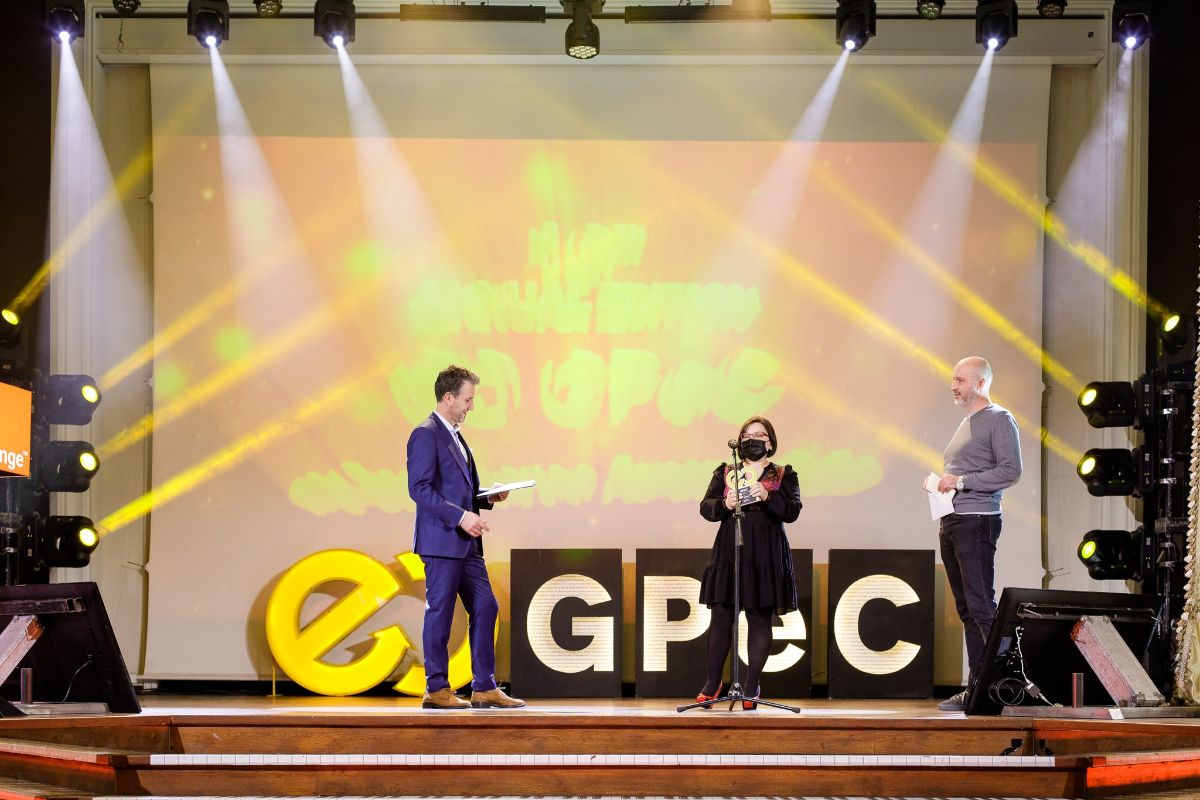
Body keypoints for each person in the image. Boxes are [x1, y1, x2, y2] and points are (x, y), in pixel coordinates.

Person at [407, 364, 525, 710]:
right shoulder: (426, 434)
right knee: (440, 614)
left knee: (487, 606)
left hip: (466, 545)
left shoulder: (456, 436)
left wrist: (487, 497)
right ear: (448, 397)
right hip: (442, 543)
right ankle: (436, 689)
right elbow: (419, 489)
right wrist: (460, 516)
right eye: (467, 400)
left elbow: (460, 491)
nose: (471, 407)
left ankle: (484, 686)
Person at [933, 356, 1022, 712]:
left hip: (977, 520)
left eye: (960, 380)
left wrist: (962, 481)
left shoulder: (999, 419)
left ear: (980, 383)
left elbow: (1011, 471)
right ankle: (976, 689)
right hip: (953, 521)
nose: (953, 386)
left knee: (982, 606)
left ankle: (998, 687)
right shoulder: (967, 422)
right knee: (968, 608)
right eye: (954, 380)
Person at [695, 416, 802, 710]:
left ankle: (752, 685)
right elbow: (705, 507)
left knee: (759, 618)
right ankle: (713, 682)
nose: (752, 439)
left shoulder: (783, 474)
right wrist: (725, 504)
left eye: (759, 435)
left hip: (766, 551)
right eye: (747, 435)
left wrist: (768, 496)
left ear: (770, 442)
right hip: (731, 547)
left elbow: (792, 511)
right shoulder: (727, 471)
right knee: (721, 617)